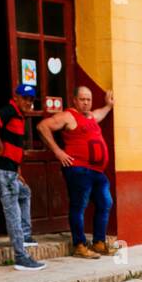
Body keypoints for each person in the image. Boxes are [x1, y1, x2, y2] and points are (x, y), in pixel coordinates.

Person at [38, 86, 117, 259]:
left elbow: (100, 112)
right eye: (82, 99)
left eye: (88, 99)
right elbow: (43, 126)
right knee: (79, 206)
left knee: (105, 203)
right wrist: (58, 152)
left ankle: (98, 242)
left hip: (97, 171)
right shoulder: (68, 116)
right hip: (79, 169)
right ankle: (79, 245)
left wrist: (109, 106)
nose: (86, 102)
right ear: (74, 100)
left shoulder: (91, 117)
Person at [0, 85, 45, 271]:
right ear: (17, 97)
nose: (28, 102)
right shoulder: (11, 110)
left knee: (25, 193)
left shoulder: (20, 117)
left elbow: (16, 149)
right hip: (2, 171)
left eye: (31, 99)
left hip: (10, 171)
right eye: (25, 98)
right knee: (13, 213)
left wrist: (17, 171)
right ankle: (20, 256)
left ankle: (25, 237)